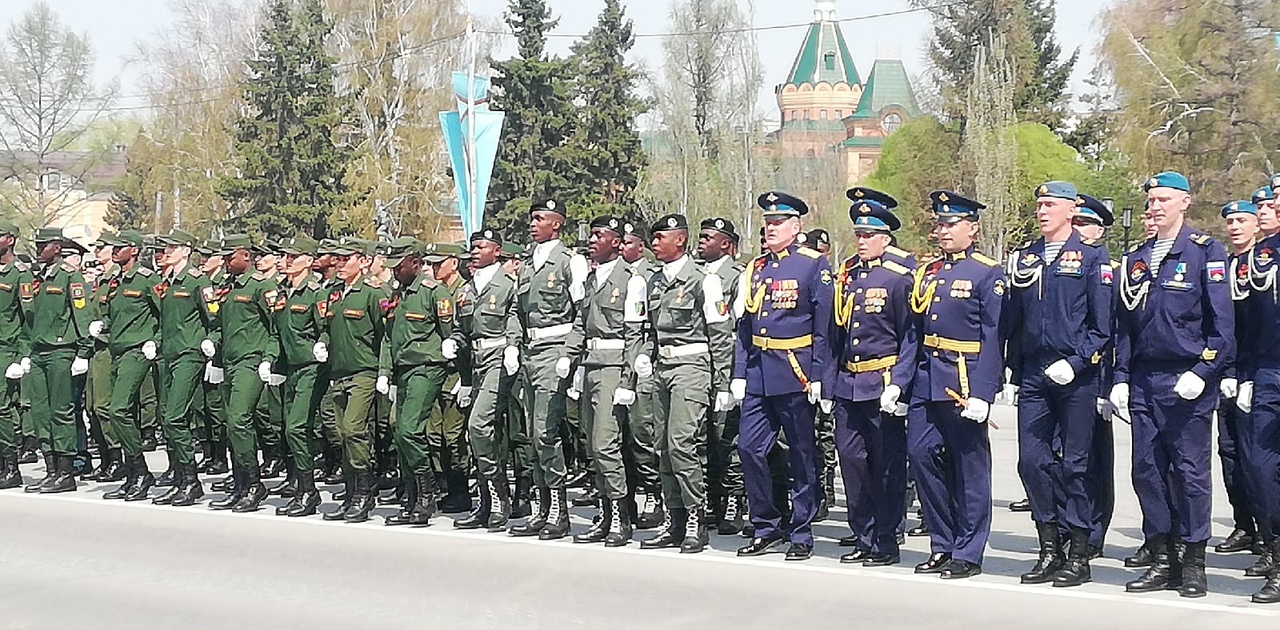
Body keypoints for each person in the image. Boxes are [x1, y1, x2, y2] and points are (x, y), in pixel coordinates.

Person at [1111, 172, 1233, 598]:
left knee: (1190, 473)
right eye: (1151, 200)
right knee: (1146, 471)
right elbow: (1124, 326)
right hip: (1145, 378)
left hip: (1186, 379)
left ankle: (1194, 560)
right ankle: (1162, 558)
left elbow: (1223, 329)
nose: (1155, 206)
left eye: (1164, 199)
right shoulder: (1136, 257)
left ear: (1185, 202)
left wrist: (1202, 373)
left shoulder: (1205, 252)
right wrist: (1120, 378)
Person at [1003, 182, 1112, 587]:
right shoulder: (1027, 257)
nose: (1042, 211)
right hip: (1034, 373)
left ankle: (1079, 553)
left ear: (1071, 210)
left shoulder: (1090, 258)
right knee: (1031, 462)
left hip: (1075, 376)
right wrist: (1012, 370)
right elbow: (1013, 319)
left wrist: (1079, 360)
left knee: (1075, 466)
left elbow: (1103, 326)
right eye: (1039, 205)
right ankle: (1049, 546)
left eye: (1050, 204)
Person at [899, 191, 1005, 580]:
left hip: (963, 378)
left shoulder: (986, 272)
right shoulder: (928, 272)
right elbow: (914, 333)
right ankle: (942, 543)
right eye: (939, 224)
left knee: (969, 467)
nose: (942, 230)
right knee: (922, 456)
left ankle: (969, 550)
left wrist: (984, 393)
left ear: (972, 228)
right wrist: (900, 382)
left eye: (950, 224)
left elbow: (994, 337)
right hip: (928, 379)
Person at [733, 191, 834, 562]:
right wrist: (740, 372)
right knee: (749, 448)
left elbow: (825, 327)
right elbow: (746, 325)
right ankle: (766, 524)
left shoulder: (812, 266)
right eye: (768, 222)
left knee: (801, 455)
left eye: (778, 223)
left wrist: (820, 374)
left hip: (796, 371)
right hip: (760, 370)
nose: (771, 228)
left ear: (796, 227)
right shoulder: (756, 268)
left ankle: (802, 530)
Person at [636, 214, 733, 554]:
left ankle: (696, 517)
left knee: (681, 443)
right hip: (663, 366)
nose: (655, 243)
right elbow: (648, 329)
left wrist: (723, 383)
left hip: (692, 367)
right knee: (661, 446)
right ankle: (674, 519)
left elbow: (720, 336)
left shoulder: (703, 280)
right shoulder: (654, 281)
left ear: (680, 240)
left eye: (661, 237)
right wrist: (645, 356)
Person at [830, 190, 916, 567]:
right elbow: (837, 332)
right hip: (849, 382)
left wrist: (899, 383)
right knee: (851, 460)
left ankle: (885, 539)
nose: (861, 241)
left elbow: (909, 335)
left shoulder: (899, 276)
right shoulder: (848, 274)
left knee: (886, 464)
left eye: (869, 235)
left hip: (881, 381)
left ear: (885, 237)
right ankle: (862, 534)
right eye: (858, 235)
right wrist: (828, 381)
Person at [508, 200, 588, 540]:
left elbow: (583, 313)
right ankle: (542, 506)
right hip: (530, 350)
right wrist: (513, 342)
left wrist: (570, 354)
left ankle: (558, 508)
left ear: (557, 224)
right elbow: (515, 309)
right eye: (532, 218)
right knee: (531, 431)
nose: (532, 223)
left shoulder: (571, 262)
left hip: (556, 350)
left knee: (546, 431)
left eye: (540, 218)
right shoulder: (527, 265)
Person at [569, 216, 648, 546]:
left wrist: (628, 380)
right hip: (590, 364)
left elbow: (635, 335)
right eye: (592, 234)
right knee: (593, 444)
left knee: (606, 443)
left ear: (617, 243)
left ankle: (620, 517)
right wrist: (570, 360)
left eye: (599, 236)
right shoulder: (591, 278)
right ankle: (606, 512)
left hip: (614, 366)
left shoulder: (631, 280)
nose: (592, 240)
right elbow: (580, 324)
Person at [379, 238, 456, 526]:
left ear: (415, 263)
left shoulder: (434, 292)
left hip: (427, 367)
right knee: (400, 432)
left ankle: (427, 492)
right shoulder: (399, 294)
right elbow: (390, 337)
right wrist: (385, 372)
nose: (394, 272)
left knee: (409, 429)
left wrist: (461, 376)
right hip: (404, 370)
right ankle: (412, 497)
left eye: (398, 266)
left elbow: (451, 335)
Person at [451, 229, 522, 530]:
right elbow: (461, 328)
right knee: (481, 434)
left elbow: (516, 316)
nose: (475, 251)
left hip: (499, 359)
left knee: (478, 425)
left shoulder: (507, 285)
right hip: (477, 362)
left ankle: (499, 496)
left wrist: (513, 346)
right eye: (473, 247)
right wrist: (454, 341)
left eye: (482, 247)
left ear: (497, 250)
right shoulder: (466, 289)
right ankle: (486, 501)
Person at [205, 234, 279, 513]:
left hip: (251, 360)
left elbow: (276, 324)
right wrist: (213, 342)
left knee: (239, 419)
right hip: (230, 361)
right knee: (231, 424)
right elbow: (219, 323)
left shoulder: (262, 286)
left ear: (246, 257)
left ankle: (253, 483)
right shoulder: (226, 287)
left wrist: (269, 358)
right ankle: (239, 484)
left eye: (230, 256)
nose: (225, 261)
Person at [1232, 196, 1280, 603]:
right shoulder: (1263, 254)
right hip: (1268, 371)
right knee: (1259, 468)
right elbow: (1248, 321)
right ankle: (1275, 552)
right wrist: (1242, 374)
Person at [322, 239, 388, 523]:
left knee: (353, 430)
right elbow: (328, 327)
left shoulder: (373, 294)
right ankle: (351, 492)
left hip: (364, 371)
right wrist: (323, 342)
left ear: (363, 262)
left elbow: (385, 335)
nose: (339, 263)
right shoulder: (335, 293)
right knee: (339, 433)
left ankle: (364, 491)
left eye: (345, 258)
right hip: (338, 372)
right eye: (336, 259)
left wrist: (384, 372)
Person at [24, 228, 93, 494]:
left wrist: (83, 351)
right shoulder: (37, 277)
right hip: (39, 350)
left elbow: (81, 314)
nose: (39, 249)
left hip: (61, 349)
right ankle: (51, 468)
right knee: (40, 411)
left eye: (44, 245)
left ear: (57, 247)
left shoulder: (69, 276)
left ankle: (66, 472)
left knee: (61, 412)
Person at [150, 229, 213, 507]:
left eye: (172, 248)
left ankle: (190, 480)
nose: (166, 252)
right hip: (169, 354)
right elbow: (166, 321)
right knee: (168, 418)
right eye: (164, 248)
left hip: (190, 353)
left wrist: (210, 344)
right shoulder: (168, 281)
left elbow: (214, 317)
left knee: (175, 416)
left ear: (186, 251)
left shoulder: (197, 280)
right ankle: (179, 477)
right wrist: (156, 342)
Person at [1215, 201, 1262, 557]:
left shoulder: (1261, 266)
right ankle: (1244, 523)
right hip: (1226, 373)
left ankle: (1266, 532)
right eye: (1229, 221)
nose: (1234, 227)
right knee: (1229, 452)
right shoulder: (1224, 267)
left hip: (1256, 370)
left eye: (1241, 220)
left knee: (1257, 456)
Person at [270, 236, 329, 517]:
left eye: (294, 257)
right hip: (291, 368)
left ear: (309, 260)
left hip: (311, 367)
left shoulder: (315, 293)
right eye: (286, 256)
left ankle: (308, 490)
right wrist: (272, 361)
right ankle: (303, 486)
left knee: (296, 427)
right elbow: (275, 332)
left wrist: (322, 344)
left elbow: (326, 328)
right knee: (289, 428)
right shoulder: (282, 291)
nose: (288, 261)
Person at [696, 217, 747, 534]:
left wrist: (731, 377)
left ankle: (732, 501)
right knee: (703, 437)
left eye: (708, 237)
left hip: (726, 363)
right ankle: (711, 500)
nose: (701, 242)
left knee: (726, 435)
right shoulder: (696, 275)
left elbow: (737, 325)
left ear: (726, 244)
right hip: (699, 362)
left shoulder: (737, 277)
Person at [1074, 194, 1117, 560]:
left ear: (1099, 230)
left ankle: (1095, 529)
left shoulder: (1108, 269)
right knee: (1066, 458)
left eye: (1084, 224)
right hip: (1065, 375)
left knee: (1094, 460)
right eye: (1073, 223)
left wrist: (1109, 384)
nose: (1077, 231)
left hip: (1097, 372)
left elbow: (1112, 331)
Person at [620, 222, 664, 530]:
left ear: (640, 246)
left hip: (647, 363)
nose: (622, 248)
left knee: (643, 431)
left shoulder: (651, 277)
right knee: (619, 435)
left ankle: (654, 494)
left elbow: (653, 327)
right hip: (617, 360)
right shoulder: (612, 274)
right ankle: (623, 500)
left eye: (628, 242)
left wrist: (644, 357)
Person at [0, 221, 31, 490]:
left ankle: (11, 466)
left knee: (2, 407)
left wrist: (22, 356)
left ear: (10, 240)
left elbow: (28, 318)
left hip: (5, 347)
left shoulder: (20, 274)